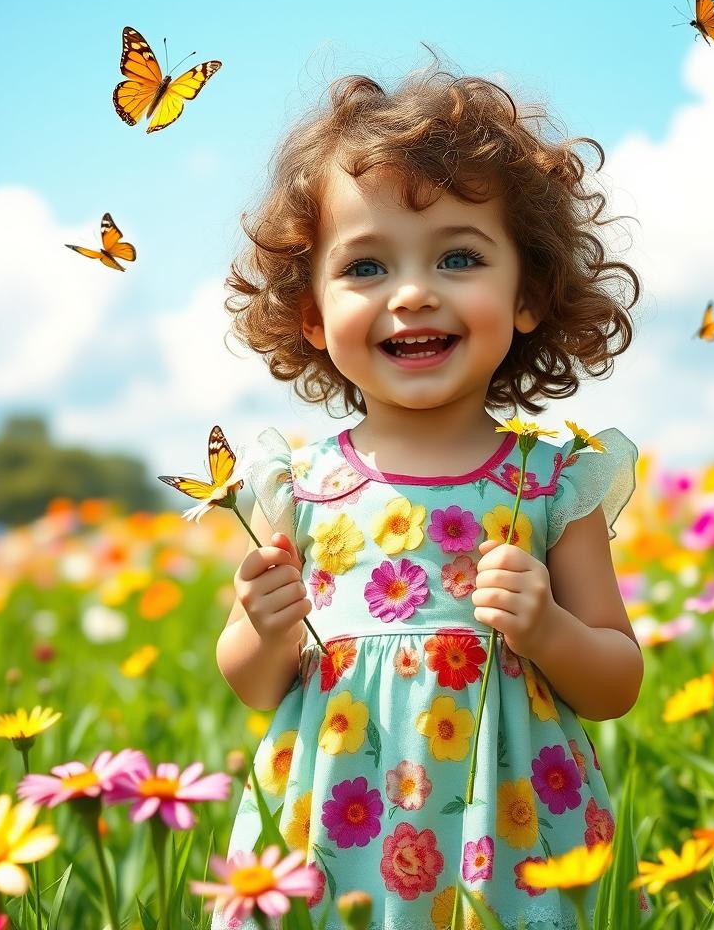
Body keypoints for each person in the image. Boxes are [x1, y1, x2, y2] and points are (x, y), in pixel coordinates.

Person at [213, 60, 651, 929]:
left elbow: (616, 681)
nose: (413, 293)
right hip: (337, 826)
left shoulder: (552, 483)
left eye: (458, 257)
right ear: (311, 314)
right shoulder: (296, 486)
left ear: (526, 294)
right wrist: (261, 625)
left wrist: (550, 631)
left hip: (516, 830)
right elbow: (254, 683)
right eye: (366, 267)